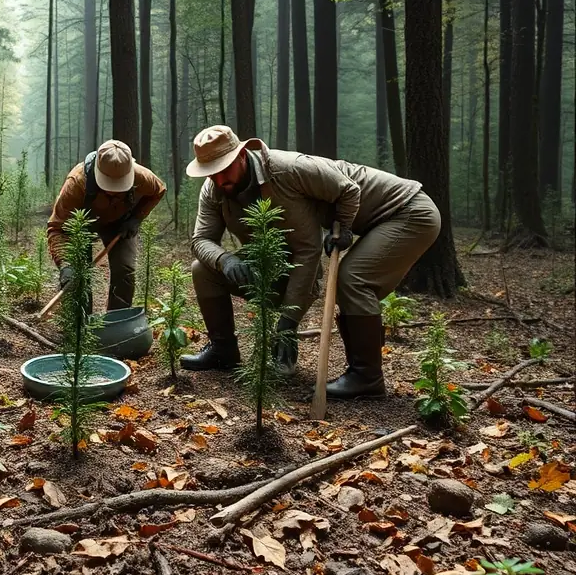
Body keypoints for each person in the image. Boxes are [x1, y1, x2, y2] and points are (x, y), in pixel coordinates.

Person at [180, 125, 441, 398]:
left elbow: (345, 195)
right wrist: (225, 260)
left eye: (225, 168)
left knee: (352, 278)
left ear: (243, 155)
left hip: (407, 211)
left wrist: (288, 323)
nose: (220, 179)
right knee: (204, 268)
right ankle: (223, 351)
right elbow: (200, 240)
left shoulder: (286, 170)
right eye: (212, 172)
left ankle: (366, 377)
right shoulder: (214, 190)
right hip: (373, 218)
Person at [47, 140, 166, 309]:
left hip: (122, 224)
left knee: (125, 271)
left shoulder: (142, 177)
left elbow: (158, 191)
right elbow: (57, 228)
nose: (115, 190)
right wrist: (66, 265)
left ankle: (117, 323)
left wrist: (137, 218)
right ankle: (81, 328)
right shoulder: (77, 183)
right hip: (82, 226)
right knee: (78, 277)